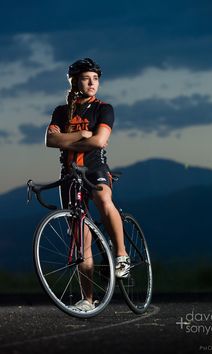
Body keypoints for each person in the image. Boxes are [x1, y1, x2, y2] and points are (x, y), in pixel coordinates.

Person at [45, 58, 130, 311]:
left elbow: (99, 142)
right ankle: (88, 299)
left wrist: (68, 140)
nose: (92, 83)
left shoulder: (104, 108)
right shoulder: (62, 111)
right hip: (69, 174)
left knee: (104, 200)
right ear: (74, 82)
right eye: (86, 78)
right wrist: (82, 135)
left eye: (95, 78)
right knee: (81, 242)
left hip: (95, 168)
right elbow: (50, 141)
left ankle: (122, 254)